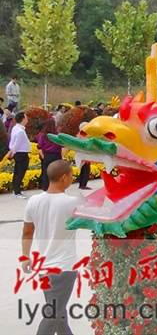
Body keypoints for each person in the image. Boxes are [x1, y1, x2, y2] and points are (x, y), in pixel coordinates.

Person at [21, 160, 78, 335]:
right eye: (71, 175)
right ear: (64, 177)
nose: (72, 178)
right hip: (64, 268)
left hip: (43, 268)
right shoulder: (72, 202)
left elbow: (27, 232)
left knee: (58, 312)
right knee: (54, 314)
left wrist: (25, 256)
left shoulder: (33, 201)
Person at [7, 112, 30, 199]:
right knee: (20, 172)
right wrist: (13, 151)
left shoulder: (16, 128)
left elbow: (12, 141)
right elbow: (17, 143)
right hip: (21, 153)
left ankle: (16, 190)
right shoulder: (20, 131)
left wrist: (12, 150)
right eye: (26, 117)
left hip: (18, 152)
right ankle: (17, 192)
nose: (27, 119)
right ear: (23, 119)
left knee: (17, 172)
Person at [37, 119, 64, 191]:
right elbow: (62, 145)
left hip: (47, 155)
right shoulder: (57, 134)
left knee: (46, 172)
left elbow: (39, 146)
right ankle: (58, 187)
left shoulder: (43, 134)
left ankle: (46, 188)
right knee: (57, 172)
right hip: (56, 155)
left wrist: (43, 156)